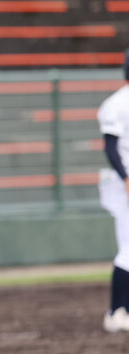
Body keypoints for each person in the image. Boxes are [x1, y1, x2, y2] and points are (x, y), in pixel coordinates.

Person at [98, 49, 129, 333]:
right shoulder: (117, 103)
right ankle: (116, 311)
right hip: (123, 185)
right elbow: (110, 147)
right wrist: (126, 177)